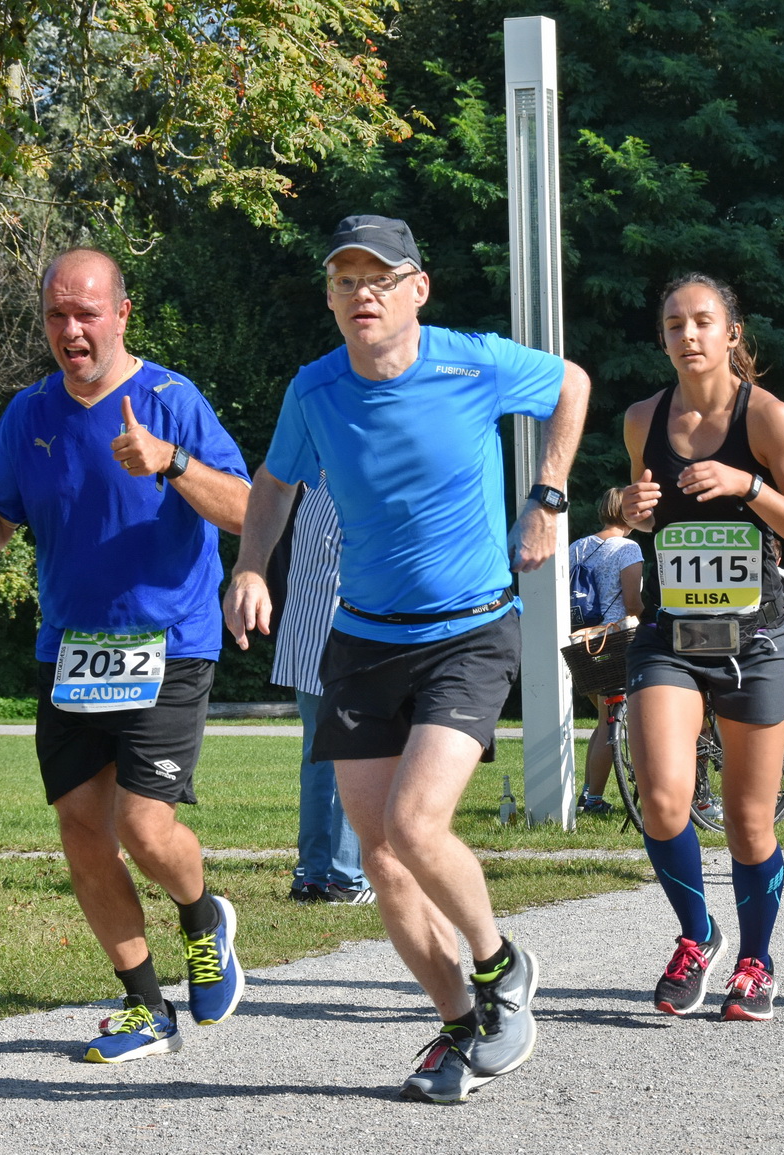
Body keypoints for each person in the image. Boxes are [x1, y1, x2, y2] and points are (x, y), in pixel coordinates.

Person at [222, 215, 589, 1102]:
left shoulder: (472, 362)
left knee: (417, 824)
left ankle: (502, 970)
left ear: (416, 288)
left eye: (380, 278)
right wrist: (249, 566)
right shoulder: (314, 392)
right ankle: (459, 1027)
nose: (363, 295)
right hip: (364, 636)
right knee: (380, 854)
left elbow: (571, 383)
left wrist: (547, 497)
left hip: (469, 628)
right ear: (331, 298)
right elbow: (274, 484)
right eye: (345, 280)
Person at [0, 248, 251, 1062]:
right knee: (84, 830)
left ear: (122, 313)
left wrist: (173, 461)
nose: (71, 330)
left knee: (145, 826)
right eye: (57, 314)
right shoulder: (30, 414)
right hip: (73, 651)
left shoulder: (171, 399)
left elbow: (248, 509)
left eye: (86, 313)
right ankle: (146, 1005)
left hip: (170, 642)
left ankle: (202, 918)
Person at [620, 273, 784, 1022]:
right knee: (665, 801)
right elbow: (637, 514)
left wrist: (749, 485)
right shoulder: (643, 418)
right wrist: (626, 508)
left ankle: (756, 959)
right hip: (672, 634)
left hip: (757, 634)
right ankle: (696, 933)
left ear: (731, 333)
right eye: (674, 323)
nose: (689, 335)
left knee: (748, 819)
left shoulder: (768, 418)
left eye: (703, 321)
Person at [273, 473, 370, 904]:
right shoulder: (361, 484)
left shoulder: (314, 489)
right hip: (345, 637)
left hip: (305, 637)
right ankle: (347, 877)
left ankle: (311, 875)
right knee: (354, 758)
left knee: (318, 759)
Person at [568, 487, 643, 814]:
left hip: (580, 640)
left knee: (604, 721)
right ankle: (594, 798)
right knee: (620, 721)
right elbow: (631, 603)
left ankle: (590, 795)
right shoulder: (628, 548)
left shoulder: (576, 547)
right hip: (614, 640)